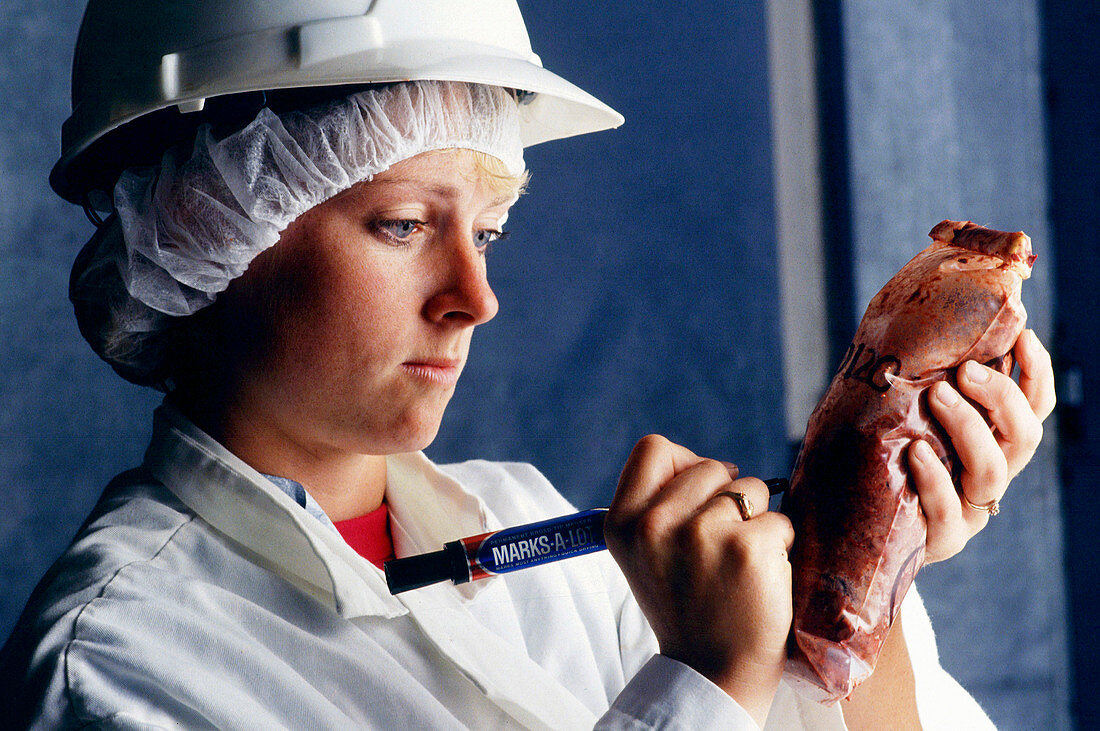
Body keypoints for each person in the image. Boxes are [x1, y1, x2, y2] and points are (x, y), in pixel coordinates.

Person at [1, 1, 1056, 728]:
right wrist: (698, 678)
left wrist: (860, 565)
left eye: (490, 232)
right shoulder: (114, 659)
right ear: (206, 220)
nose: (476, 294)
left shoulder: (525, 523)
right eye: (404, 223)